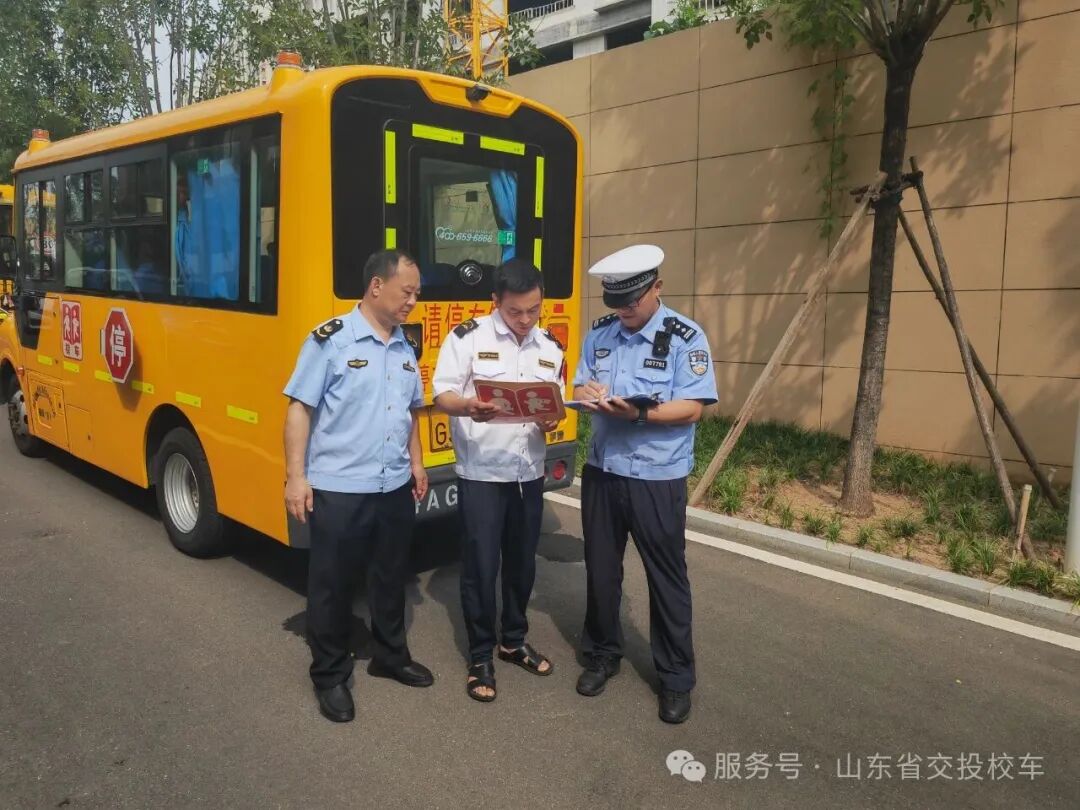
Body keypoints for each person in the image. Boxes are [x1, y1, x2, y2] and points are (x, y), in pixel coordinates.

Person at [283, 249, 433, 723]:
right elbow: (299, 409)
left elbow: (410, 410)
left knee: (391, 577)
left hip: (392, 485)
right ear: (376, 287)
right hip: (340, 486)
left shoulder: (404, 345)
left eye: (417, 294)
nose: (413, 301)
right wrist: (296, 476)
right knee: (331, 585)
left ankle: (390, 655)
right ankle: (329, 675)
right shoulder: (331, 341)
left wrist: (417, 462)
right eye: (406, 291)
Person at [571, 244, 718, 724]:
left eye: (632, 300)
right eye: (615, 302)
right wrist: (588, 394)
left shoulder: (684, 337)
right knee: (601, 570)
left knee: (666, 578)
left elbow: (693, 406)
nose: (624, 311)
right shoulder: (600, 334)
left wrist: (637, 411)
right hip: (603, 470)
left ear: (656, 287)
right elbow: (579, 386)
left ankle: (676, 679)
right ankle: (600, 655)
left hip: (657, 476)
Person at [432, 258, 563, 702]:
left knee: (523, 562)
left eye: (533, 310)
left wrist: (550, 421)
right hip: (483, 472)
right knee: (481, 565)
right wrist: (469, 406)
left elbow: (553, 404)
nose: (525, 321)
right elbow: (442, 394)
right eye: (515, 312)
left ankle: (513, 639)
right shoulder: (467, 338)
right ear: (495, 302)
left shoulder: (550, 345)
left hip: (529, 472)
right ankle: (481, 655)